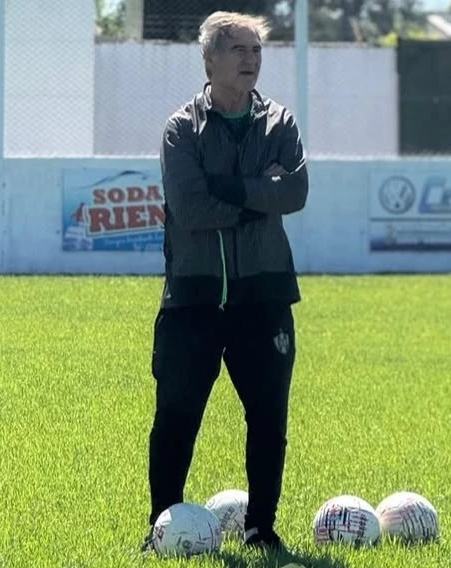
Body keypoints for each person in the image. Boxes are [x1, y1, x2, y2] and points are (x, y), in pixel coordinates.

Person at [141, 10, 308, 554]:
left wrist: (226, 187)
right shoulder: (180, 129)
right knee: (177, 415)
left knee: (268, 418)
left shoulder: (279, 122)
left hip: (264, 295)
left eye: (255, 51)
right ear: (209, 60)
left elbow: (295, 193)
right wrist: (255, 195)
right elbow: (189, 208)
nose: (250, 60)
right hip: (193, 296)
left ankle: (262, 529)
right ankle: (162, 525)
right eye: (238, 50)